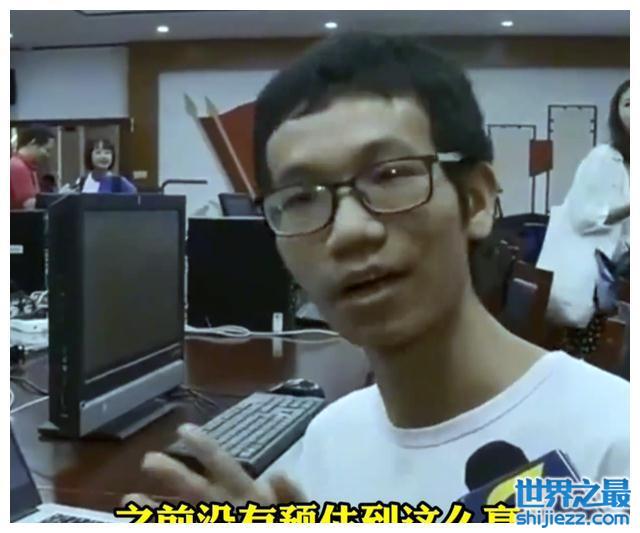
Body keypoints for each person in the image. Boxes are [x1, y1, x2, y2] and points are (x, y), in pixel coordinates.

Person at [127, 34, 628, 510]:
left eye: (389, 175)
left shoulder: (615, 445)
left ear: (476, 200)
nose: (348, 231)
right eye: (300, 198)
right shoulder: (328, 442)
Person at [557, 80, 630, 357]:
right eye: (628, 104)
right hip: (599, 281)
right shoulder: (602, 158)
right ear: (616, 113)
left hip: (624, 280)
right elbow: (582, 217)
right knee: (591, 359)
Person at [10, 126, 55, 209]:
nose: (48, 155)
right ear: (32, 143)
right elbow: (28, 205)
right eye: (46, 150)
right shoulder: (18, 167)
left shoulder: (27, 167)